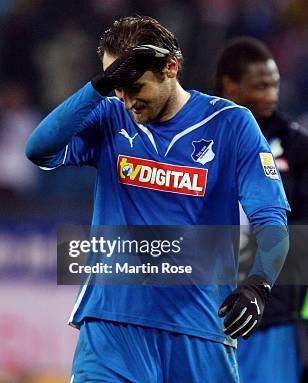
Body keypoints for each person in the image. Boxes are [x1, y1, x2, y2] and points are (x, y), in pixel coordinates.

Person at [26, 16, 289, 382]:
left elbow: (272, 218)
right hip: (112, 324)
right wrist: (97, 88)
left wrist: (259, 283)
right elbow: (39, 150)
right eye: (116, 86)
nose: (127, 98)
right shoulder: (107, 114)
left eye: (134, 85)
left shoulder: (230, 123)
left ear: (171, 67)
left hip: (200, 326)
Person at [216, 36, 308, 383]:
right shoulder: (196, 139)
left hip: (271, 310)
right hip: (205, 307)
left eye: (274, 85)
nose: (272, 94)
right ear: (230, 86)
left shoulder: (296, 146)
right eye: (261, 86)